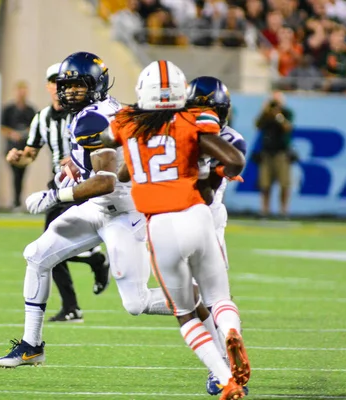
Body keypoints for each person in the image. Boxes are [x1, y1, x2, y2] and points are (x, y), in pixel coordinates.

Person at [0, 52, 175, 368]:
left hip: (124, 213)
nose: (68, 92)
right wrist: (75, 167)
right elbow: (107, 169)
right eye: (66, 86)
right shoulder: (103, 109)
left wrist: (55, 195)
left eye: (77, 85)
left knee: (136, 303)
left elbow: (105, 181)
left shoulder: (94, 118)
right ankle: (31, 346)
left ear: (95, 84)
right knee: (36, 255)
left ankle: (203, 301)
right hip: (98, 207)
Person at [110, 60, 250, 400]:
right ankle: (231, 333)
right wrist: (208, 180)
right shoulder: (199, 121)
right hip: (199, 215)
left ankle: (223, 377)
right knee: (220, 298)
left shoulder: (127, 122)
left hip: (160, 224)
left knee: (185, 311)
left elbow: (119, 161)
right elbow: (232, 159)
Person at [6, 63, 110, 323]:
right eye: (56, 82)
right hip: (59, 186)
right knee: (47, 249)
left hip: (86, 187)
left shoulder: (85, 114)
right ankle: (81, 286)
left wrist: (78, 160)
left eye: (67, 83)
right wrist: (17, 158)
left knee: (49, 247)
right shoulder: (41, 118)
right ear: (48, 86)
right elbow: (29, 155)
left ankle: (89, 272)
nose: (61, 88)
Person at [187, 76, 249, 396]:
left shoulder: (228, 140)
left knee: (199, 299)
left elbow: (208, 193)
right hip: (198, 219)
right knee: (209, 296)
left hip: (198, 219)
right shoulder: (230, 138)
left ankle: (222, 364)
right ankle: (227, 345)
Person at [254, 91, 294, 218]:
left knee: (284, 184)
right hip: (266, 152)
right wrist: (265, 110)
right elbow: (257, 125)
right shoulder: (266, 115)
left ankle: (284, 211)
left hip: (281, 153)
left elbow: (287, 127)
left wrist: (278, 115)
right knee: (265, 184)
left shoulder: (286, 113)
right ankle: (265, 210)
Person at [1, 82, 37, 212]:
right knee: (15, 174)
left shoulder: (30, 110)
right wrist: (12, 134)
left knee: (21, 174)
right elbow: (2, 127)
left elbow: (35, 127)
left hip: (24, 147)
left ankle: (17, 200)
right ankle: (15, 200)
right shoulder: (8, 109)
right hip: (12, 147)